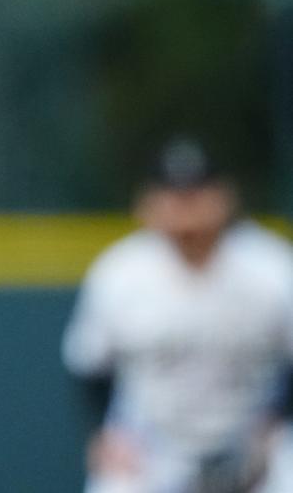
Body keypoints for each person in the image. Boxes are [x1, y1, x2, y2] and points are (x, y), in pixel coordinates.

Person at [62, 138, 293, 493]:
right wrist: (105, 435)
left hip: (252, 442)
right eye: (172, 193)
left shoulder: (272, 268)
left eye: (196, 192)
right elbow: (89, 367)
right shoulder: (120, 272)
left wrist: (275, 421)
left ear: (225, 197)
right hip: (154, 449)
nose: (185, 206)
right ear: (147, 202)